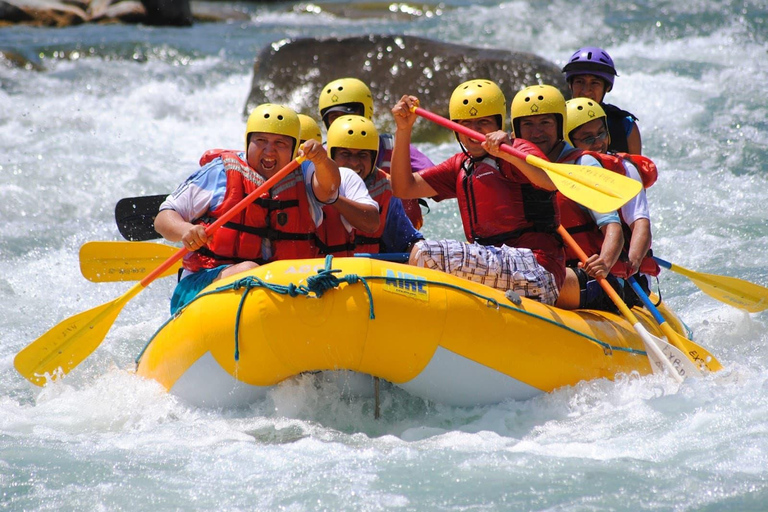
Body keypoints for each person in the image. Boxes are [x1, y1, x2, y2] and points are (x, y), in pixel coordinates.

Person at [389, 79, 565, 305]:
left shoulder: (517, 148)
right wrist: (403, 130)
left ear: (498, 124)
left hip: (536, 269)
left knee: (424, 253)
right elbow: (404, 188)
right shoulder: (461, 165)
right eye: (466, 124)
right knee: (416, 252)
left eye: (483, 122)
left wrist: (508, 153)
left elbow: (551, 181)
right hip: (498, 267)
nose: (473, 131)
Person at [154, 103, 342, 314]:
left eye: (280, 143)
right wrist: (184, 230)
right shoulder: (220, 173)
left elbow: (330, 188)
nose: (269, 150)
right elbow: (163, 218)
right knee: (251, 272)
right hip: (206, 283)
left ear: (293, 149)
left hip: (284, 288)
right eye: (261, 140)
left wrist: (322, 160)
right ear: (248, 141)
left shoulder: (306, 173)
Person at [509, 84, 624, 311]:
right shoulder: (511, 166)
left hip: (585, 274)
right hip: (536, 264)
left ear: (560, 126)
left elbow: (613, 227)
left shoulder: (581, 164)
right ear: (517, 130)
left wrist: (605, 262)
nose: (537, 132)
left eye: (545, 123)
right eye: (528, 124)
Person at [564, 97, 661, 300]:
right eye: (588, 138)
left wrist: (631, 265)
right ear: (568, 140)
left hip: (624, 275)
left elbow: (641, 224)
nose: (599, 141)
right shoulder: (555, 171)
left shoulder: (624, 169)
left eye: (601, 133)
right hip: (578, 268)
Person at [318, 77, 434, 229]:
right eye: (334, 117)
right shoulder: (322, 157)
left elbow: (436, 183)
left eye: (349, 114)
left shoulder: (394, 147)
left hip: (399, 241)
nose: (343, 122)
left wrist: (400, 186)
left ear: (368, 112)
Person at [316, 114, 423, 256]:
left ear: (373, 158)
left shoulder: (385, 187)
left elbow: (407, 242)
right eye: (345, 154)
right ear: (332, 155)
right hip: (325, 271)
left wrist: (424, 253)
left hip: (369, 272)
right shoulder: (315, 182)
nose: (354, 162)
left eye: (363, 155)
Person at [562, 46, 642, 155]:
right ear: (570, 85)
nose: (586, 91)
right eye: (579, 82)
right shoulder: (556, 121)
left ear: (607, 87)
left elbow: (638, 168)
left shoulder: (624, 125)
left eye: (595, 83)